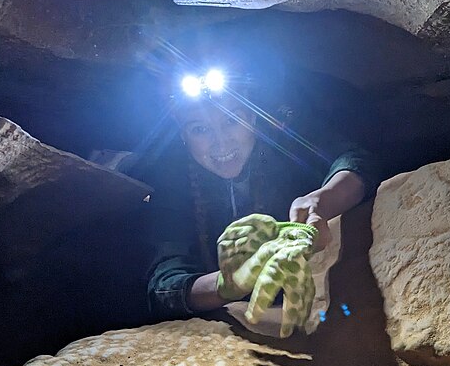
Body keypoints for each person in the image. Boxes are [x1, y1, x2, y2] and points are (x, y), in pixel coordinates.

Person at [129, 67, 381, 322]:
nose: (221, 143)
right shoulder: (173, 183)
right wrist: (228, 284)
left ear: (251, 118)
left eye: (231, 120)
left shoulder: (285, 143)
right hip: (234, 323)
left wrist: (324, 200)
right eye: (200, 130)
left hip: (321, 304)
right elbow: (162, 285)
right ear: (184, 136)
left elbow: (355, 160)